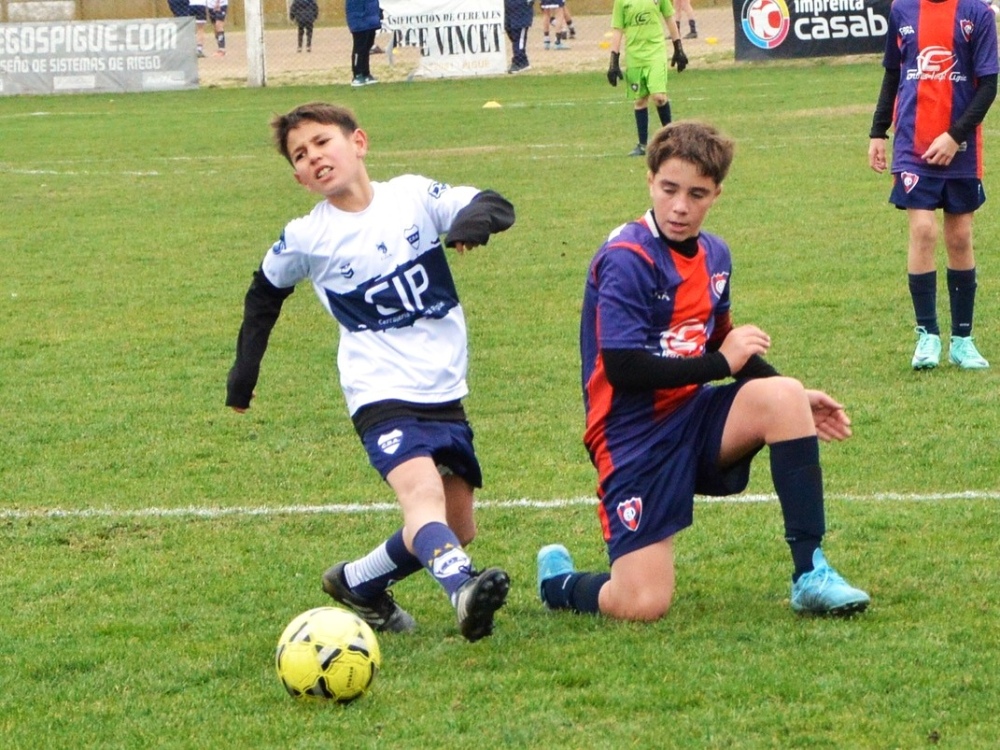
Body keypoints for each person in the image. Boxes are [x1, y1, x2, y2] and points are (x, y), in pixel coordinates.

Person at [536, 121, 871, 622]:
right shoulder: (626, 257)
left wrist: (792, 394)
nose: (679, 206)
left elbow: (717, 335)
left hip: (691, 416)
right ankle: (559, 583)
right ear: (649, 180)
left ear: (716, 194)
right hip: (631, 435)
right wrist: (722, 365)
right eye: (669, 189)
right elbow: (623, 368)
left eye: (696, 194)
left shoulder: (715, 254)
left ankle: (811, 572)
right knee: (642, 605)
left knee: (782, 395)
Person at [226, 103, 515, 642]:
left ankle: (356, 584)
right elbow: (264, 292)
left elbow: (492, 203)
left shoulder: (410, 195)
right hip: (378, 390)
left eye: (320, 142)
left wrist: (471, 225)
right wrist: (243, 376)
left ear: (358, 142)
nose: (313, 157)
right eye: (300, 155)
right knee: (421, 496)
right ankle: (464, 591)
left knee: (456, 527)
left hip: (444, 387)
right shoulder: (308, 237)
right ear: (297, 177)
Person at [868, 0, 998, 370]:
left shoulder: (978, 14)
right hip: (913, 144)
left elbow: (988, 86)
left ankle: (962, 340)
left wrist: (955, 135)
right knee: (923, 230)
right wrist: (878, 132)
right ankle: (927, 336)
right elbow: (893, 75)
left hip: (961, 147)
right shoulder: (902, 10)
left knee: (959, 237)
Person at [607, 0, 688, 157]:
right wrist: (613, 61)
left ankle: (671, 141)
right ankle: (642, 145)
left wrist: (678, 47)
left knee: (659, 97)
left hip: (655, 52)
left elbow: (669, 18)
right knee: (640, 100)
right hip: (634, 56)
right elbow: (618, 30)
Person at [346, 0, 381, 86]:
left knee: (367, 46)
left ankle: (366, 73)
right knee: (359, 47)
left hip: (371, 18)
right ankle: (357, 74)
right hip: (359, 18)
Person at [504, 0, 534, 73]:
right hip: (509, 8)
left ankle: (518, 61)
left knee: (518, 34)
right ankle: (523, 61)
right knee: (509, 30)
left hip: (522, 8)